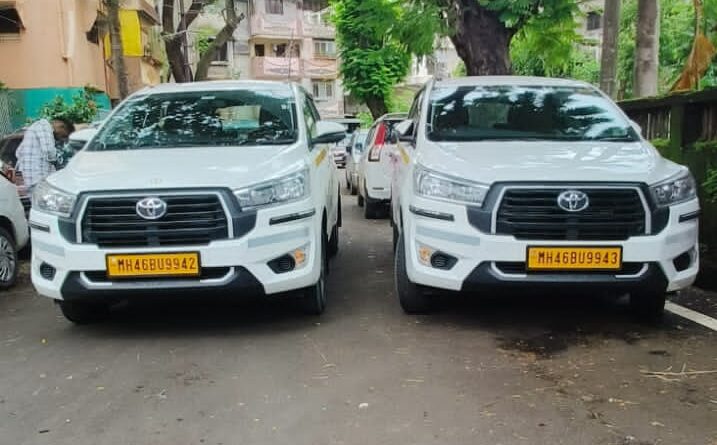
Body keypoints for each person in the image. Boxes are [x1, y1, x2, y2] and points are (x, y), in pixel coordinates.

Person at [15, 118, 74, 195]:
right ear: (61, 126)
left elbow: (18, 152)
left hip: (30, 178)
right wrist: (60, 160)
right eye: (63, 136)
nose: (61, 139)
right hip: (39, 177)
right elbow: (49, 151)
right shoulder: (44, 126)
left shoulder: (33, 128)